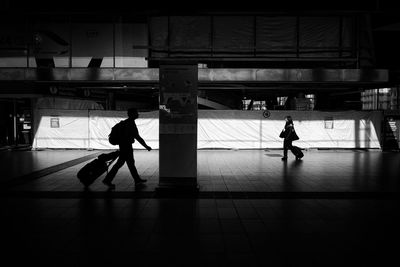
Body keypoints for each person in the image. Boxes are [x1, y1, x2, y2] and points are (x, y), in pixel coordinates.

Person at [102, 108, 152, 189]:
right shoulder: (130, 124)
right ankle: (107, 180)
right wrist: (146, 146)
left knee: (128, 163)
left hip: (124, 146)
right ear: (132, 114)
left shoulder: (127, 122)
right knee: (122, 164)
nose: (138, 114)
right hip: (126, 147)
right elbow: (138, 137)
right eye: (136, 113)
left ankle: (137, 179)